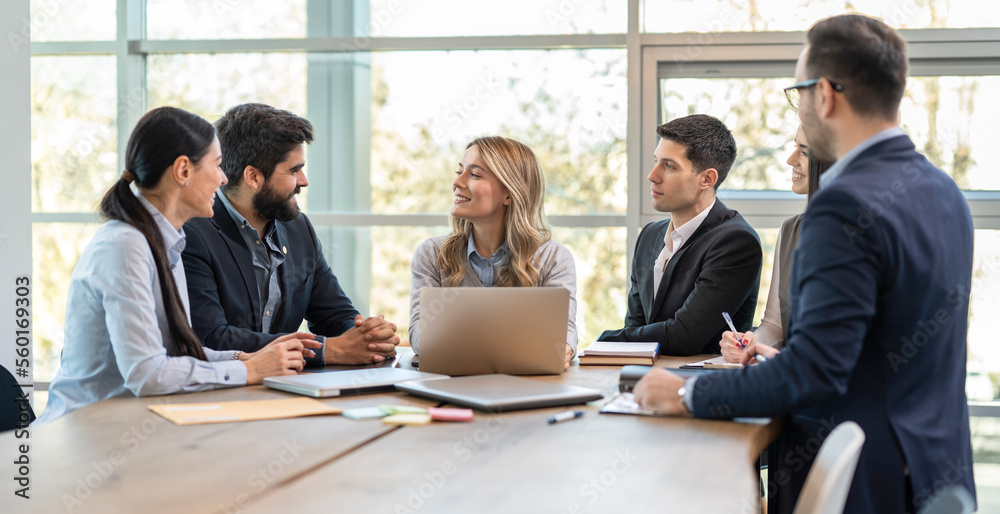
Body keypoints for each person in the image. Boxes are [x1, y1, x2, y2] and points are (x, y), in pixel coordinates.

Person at [633, 14, 976, 513]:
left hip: (861, 479)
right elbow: (881, 349)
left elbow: (814, 375)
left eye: (798, 93)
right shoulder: (945, 192)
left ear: (826, 95)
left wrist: (687, 395)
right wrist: (782, 359)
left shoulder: (841, 206)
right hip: (936, 472)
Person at [37, 107, 317, 424]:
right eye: (217, 165)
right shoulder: (125, 247)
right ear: (183, 170)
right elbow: (147, 373)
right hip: (84, 431)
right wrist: (247, 370)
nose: (224, 178)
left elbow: (174, 352)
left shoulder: (165, 240)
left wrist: (244, 357)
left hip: (131, 423)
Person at [182, 103, 400, 367]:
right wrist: (325, 351)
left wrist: (367, 336)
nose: (304, 181)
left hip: (284, 386)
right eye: (294, 171)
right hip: (221, 392)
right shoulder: (192, 232)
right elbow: (210, 338)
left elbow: (333, 313)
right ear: (253, 177)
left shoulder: (298, 228)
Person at [598, 114, 762, 355]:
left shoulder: (736, 242)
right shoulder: (649, 236)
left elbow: (684, 335)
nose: (652, 175)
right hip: (643, 375)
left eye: (669, 165)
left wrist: (604, 340)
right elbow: (635, 326)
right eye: (656, 161)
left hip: (703, 383)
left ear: (707, 179)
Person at [409, 136, 577, 369]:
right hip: (451, 385)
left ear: (509, 193)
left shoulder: (554, 258)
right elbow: (420, 336)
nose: (457, 182)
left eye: (474, 174)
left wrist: (562, 348)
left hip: (526, 386)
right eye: (459, 171)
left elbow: (564, 335)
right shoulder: (431, 254)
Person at [719, 126, 833, 362]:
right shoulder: (790, 230)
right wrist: (752, 342)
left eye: (804, 151)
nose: (791, 160)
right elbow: (776, 327)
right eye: (795, 147)